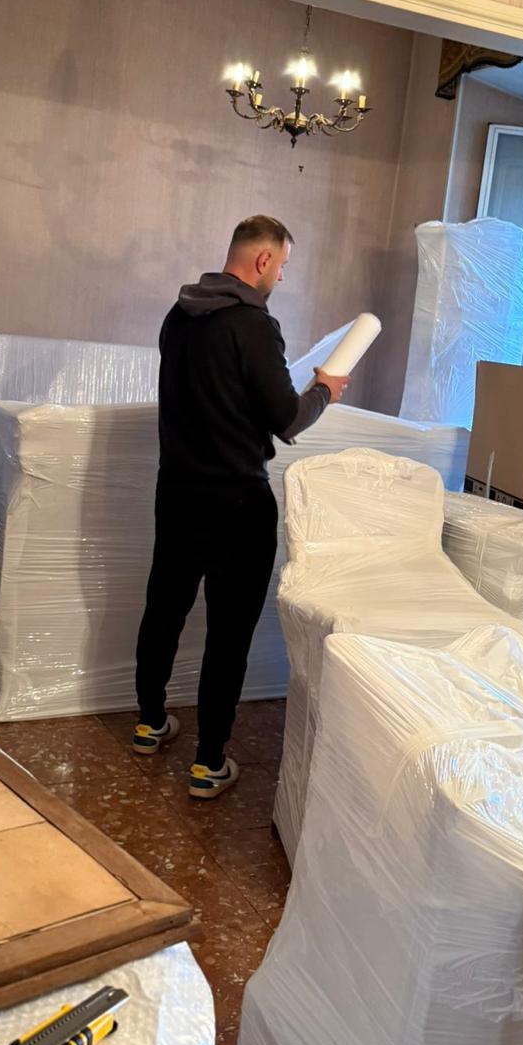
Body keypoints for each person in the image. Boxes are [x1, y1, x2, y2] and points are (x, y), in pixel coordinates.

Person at [132, 215, 350, 798]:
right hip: (236, 502)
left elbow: (216, 399)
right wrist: (325, 390)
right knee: (228, 635)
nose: (282, 277)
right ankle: (208, 763)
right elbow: (286, 419)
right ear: (262, 261)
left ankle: (149, 723)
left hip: (177, 491)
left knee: (164, 609)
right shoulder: (253, 324)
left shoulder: (179, 315)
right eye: (283, 266)